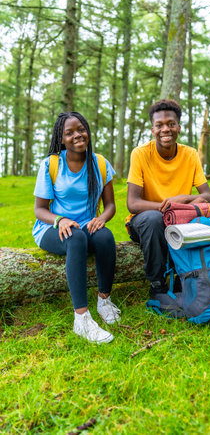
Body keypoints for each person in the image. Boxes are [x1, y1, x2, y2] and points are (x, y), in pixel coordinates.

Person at [33, 111, 121, 344]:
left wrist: (102, 218)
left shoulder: (100, 163)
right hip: (51, 228)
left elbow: (111, 205)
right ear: (61, 139)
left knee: (105, 238)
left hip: (86, 225)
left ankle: (104, 300)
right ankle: (81, 318)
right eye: (69, 133)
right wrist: (59, 219)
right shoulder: (51, 164)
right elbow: (40, 209)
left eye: (81, 129)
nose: (77, 135)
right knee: (77, 238)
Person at [126, 99, 210, 300]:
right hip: (146, 222)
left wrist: (184, 198)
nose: (165, 129)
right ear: (152, 130)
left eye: (170, 124)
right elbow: (133, 203)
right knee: (153, 220)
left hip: (179, 219)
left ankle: (201, 273)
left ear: (179, 128)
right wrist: (168, 208)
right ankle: (157, 284)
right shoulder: (140, 154)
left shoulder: (190, 154)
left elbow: (208, 196)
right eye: (159, 125)